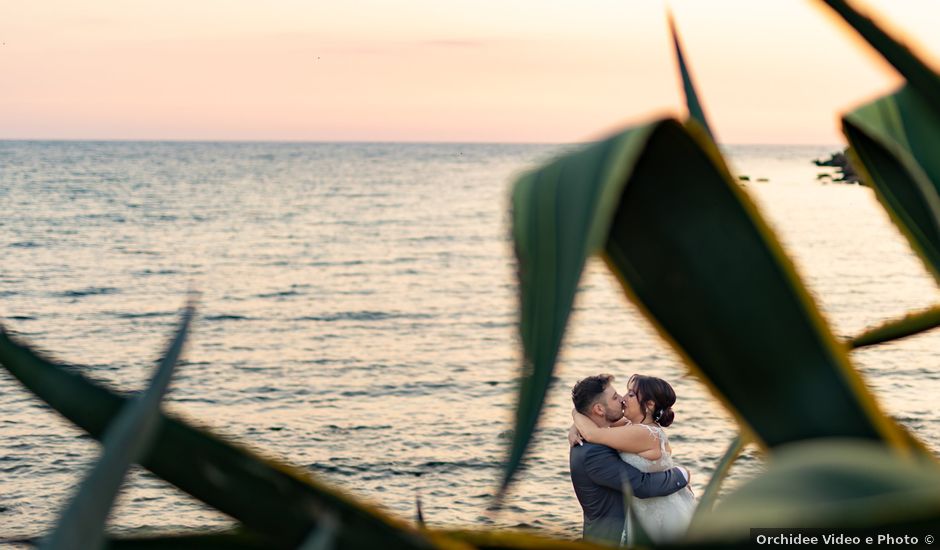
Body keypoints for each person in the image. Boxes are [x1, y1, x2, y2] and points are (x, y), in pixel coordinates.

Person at [571, 374, 696, 545]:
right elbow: (595, 423)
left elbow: (594, 433)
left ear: (650, 405)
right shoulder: (629, 425)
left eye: (631, 394)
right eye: (622, 394)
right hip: (643, 511)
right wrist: (575, 425)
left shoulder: (645, 433)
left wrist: (575, 413)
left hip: (657, 512)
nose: (623, 399)